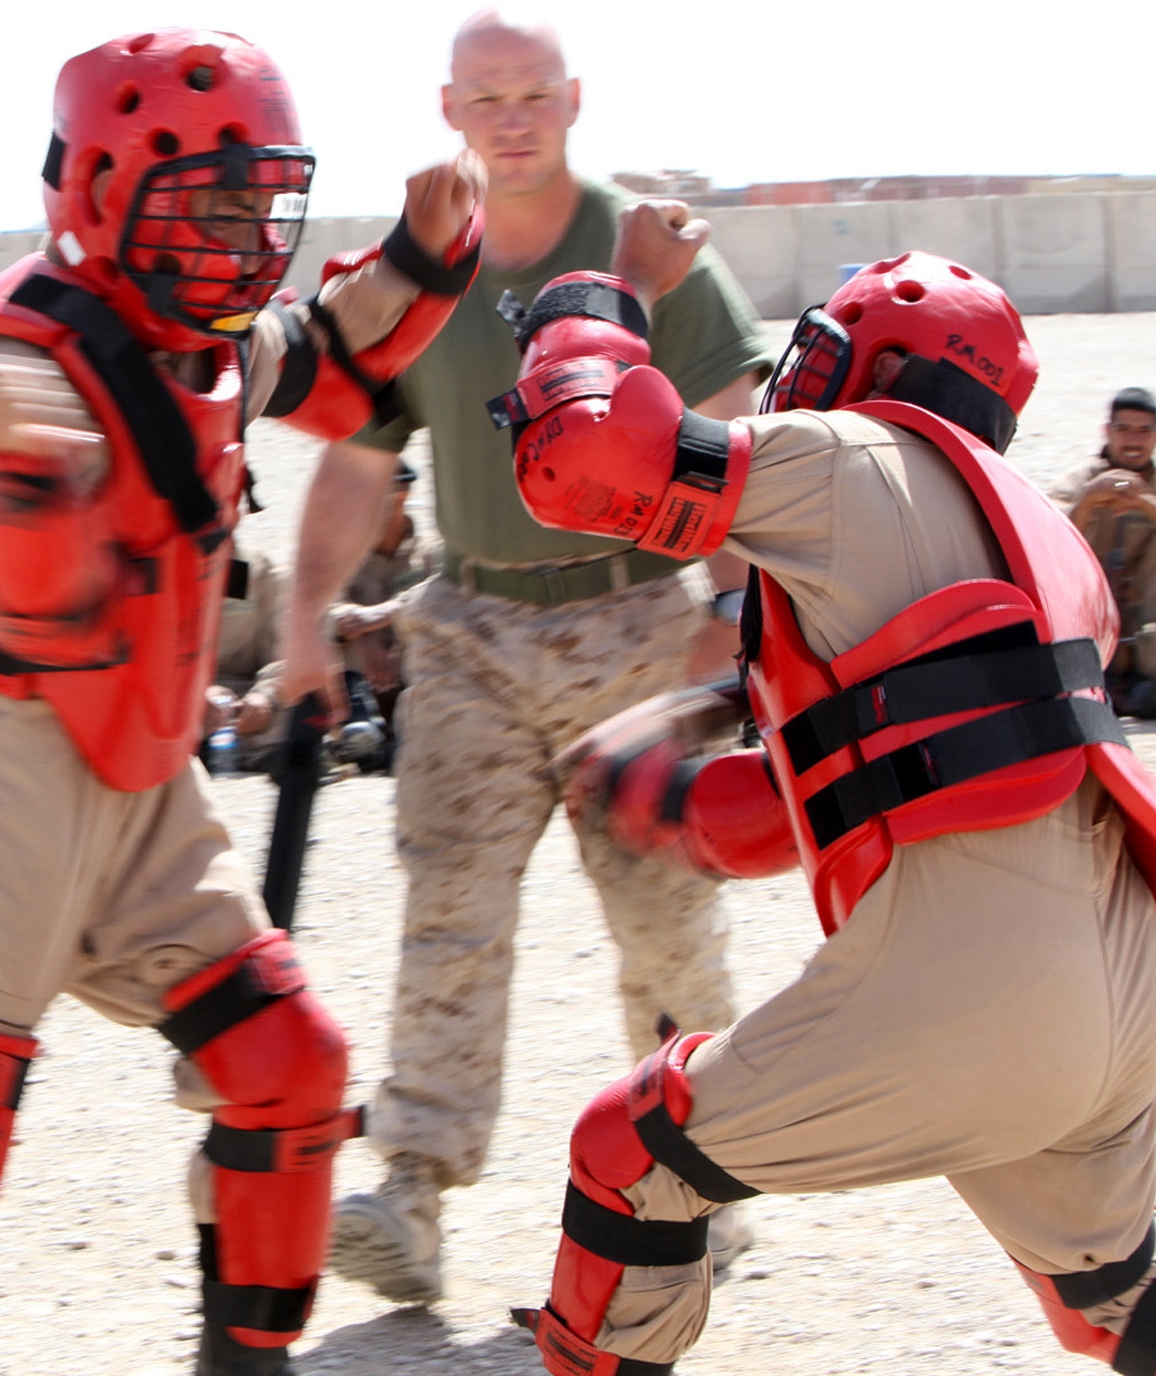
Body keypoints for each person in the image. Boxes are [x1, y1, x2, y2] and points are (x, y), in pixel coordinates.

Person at [0, 28, 484, 1376]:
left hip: (140, 786)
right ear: (109, 193)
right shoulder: (4, 361)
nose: (245, 239)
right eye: (210, 205)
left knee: (288, 1071)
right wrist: (27, 474)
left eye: (260, 204)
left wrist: (422, 256)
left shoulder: (208, 341)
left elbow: (341, 356)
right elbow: (33, 590)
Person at [498, 218, 1156, 1374]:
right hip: (1115, 1004)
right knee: (1120, 1294)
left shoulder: (855, 455)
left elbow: (583, 457)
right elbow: (893, 779)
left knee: (633, 1151)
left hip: (983, 997)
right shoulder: (1039, 538)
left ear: (892, 367)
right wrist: (671, 800)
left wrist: (589, 299)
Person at [277, 9, 770, 1302]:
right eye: (485, 96)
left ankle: (698, 1179)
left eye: (532, 92)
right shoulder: (423, 262)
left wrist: (736, 610)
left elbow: (736, 433)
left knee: (666, 924)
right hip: (473, 634)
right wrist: (300, 621)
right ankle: (411, 1196)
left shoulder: (650, 248)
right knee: (448, 913)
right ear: (449, 108)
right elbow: (356, 455)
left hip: (639, 625)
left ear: (573, 98)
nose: (510, 116)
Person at [1051, 387, 1156, 716]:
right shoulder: (1079, 482)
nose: (1133, 441)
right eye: (1123, 429)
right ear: (1107, 431)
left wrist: (1147, 504)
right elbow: (1041, 540)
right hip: (1088, 626)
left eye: (1143, 432)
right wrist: (1086, 502)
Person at [326, 458, 439, 765]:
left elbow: (444, 601)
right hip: (361, 678)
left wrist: (384, 616)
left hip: (413, 674)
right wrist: (361, 633)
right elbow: (320, 610)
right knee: (322, 644)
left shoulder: (430, 555)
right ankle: (357, 734)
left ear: (401, 495)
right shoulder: (343, 554)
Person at [206, 541, 289, 772]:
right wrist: (198, 691)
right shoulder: (161, 565)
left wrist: (265, 697)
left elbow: (285, 650)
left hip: (244, 695)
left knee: (303, 709)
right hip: (182, 698)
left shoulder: (257, 571)